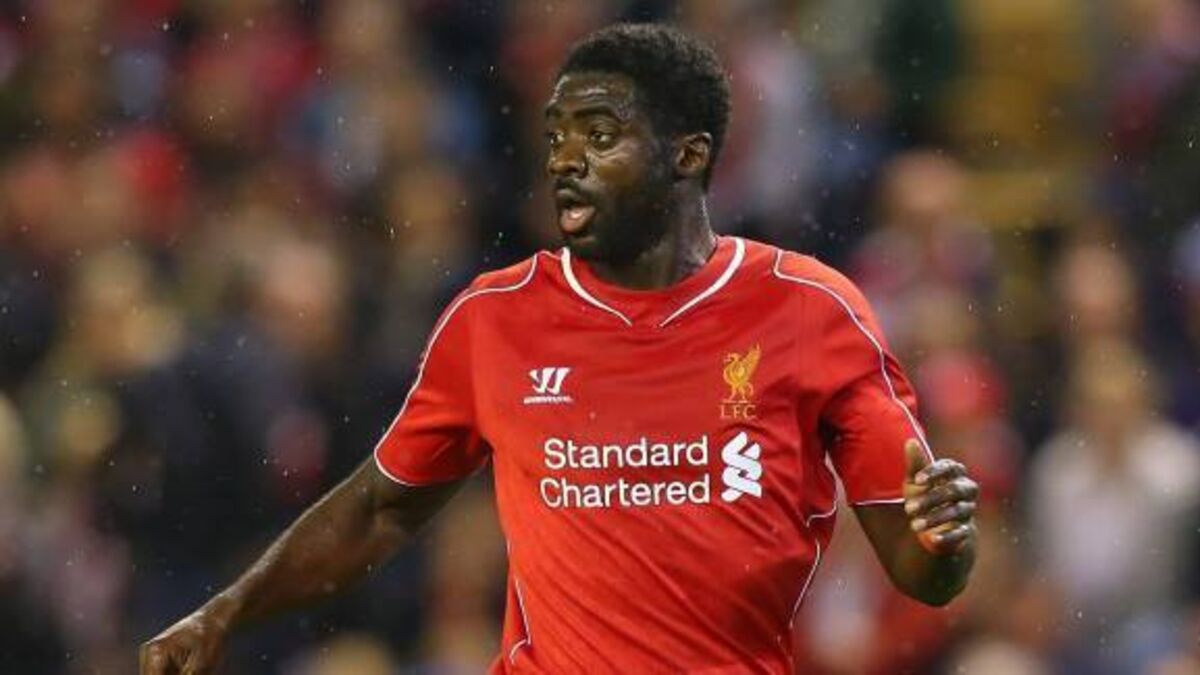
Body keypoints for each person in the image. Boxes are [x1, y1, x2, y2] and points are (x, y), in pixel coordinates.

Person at [140, 23, 978, 674]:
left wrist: (947, 539)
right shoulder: (494, 319)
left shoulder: (811, 311)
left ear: (688, 154)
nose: (567, 161)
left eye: (600, 135)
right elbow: (379, 509)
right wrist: (225, 612)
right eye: (556, 137)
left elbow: (921, 564)